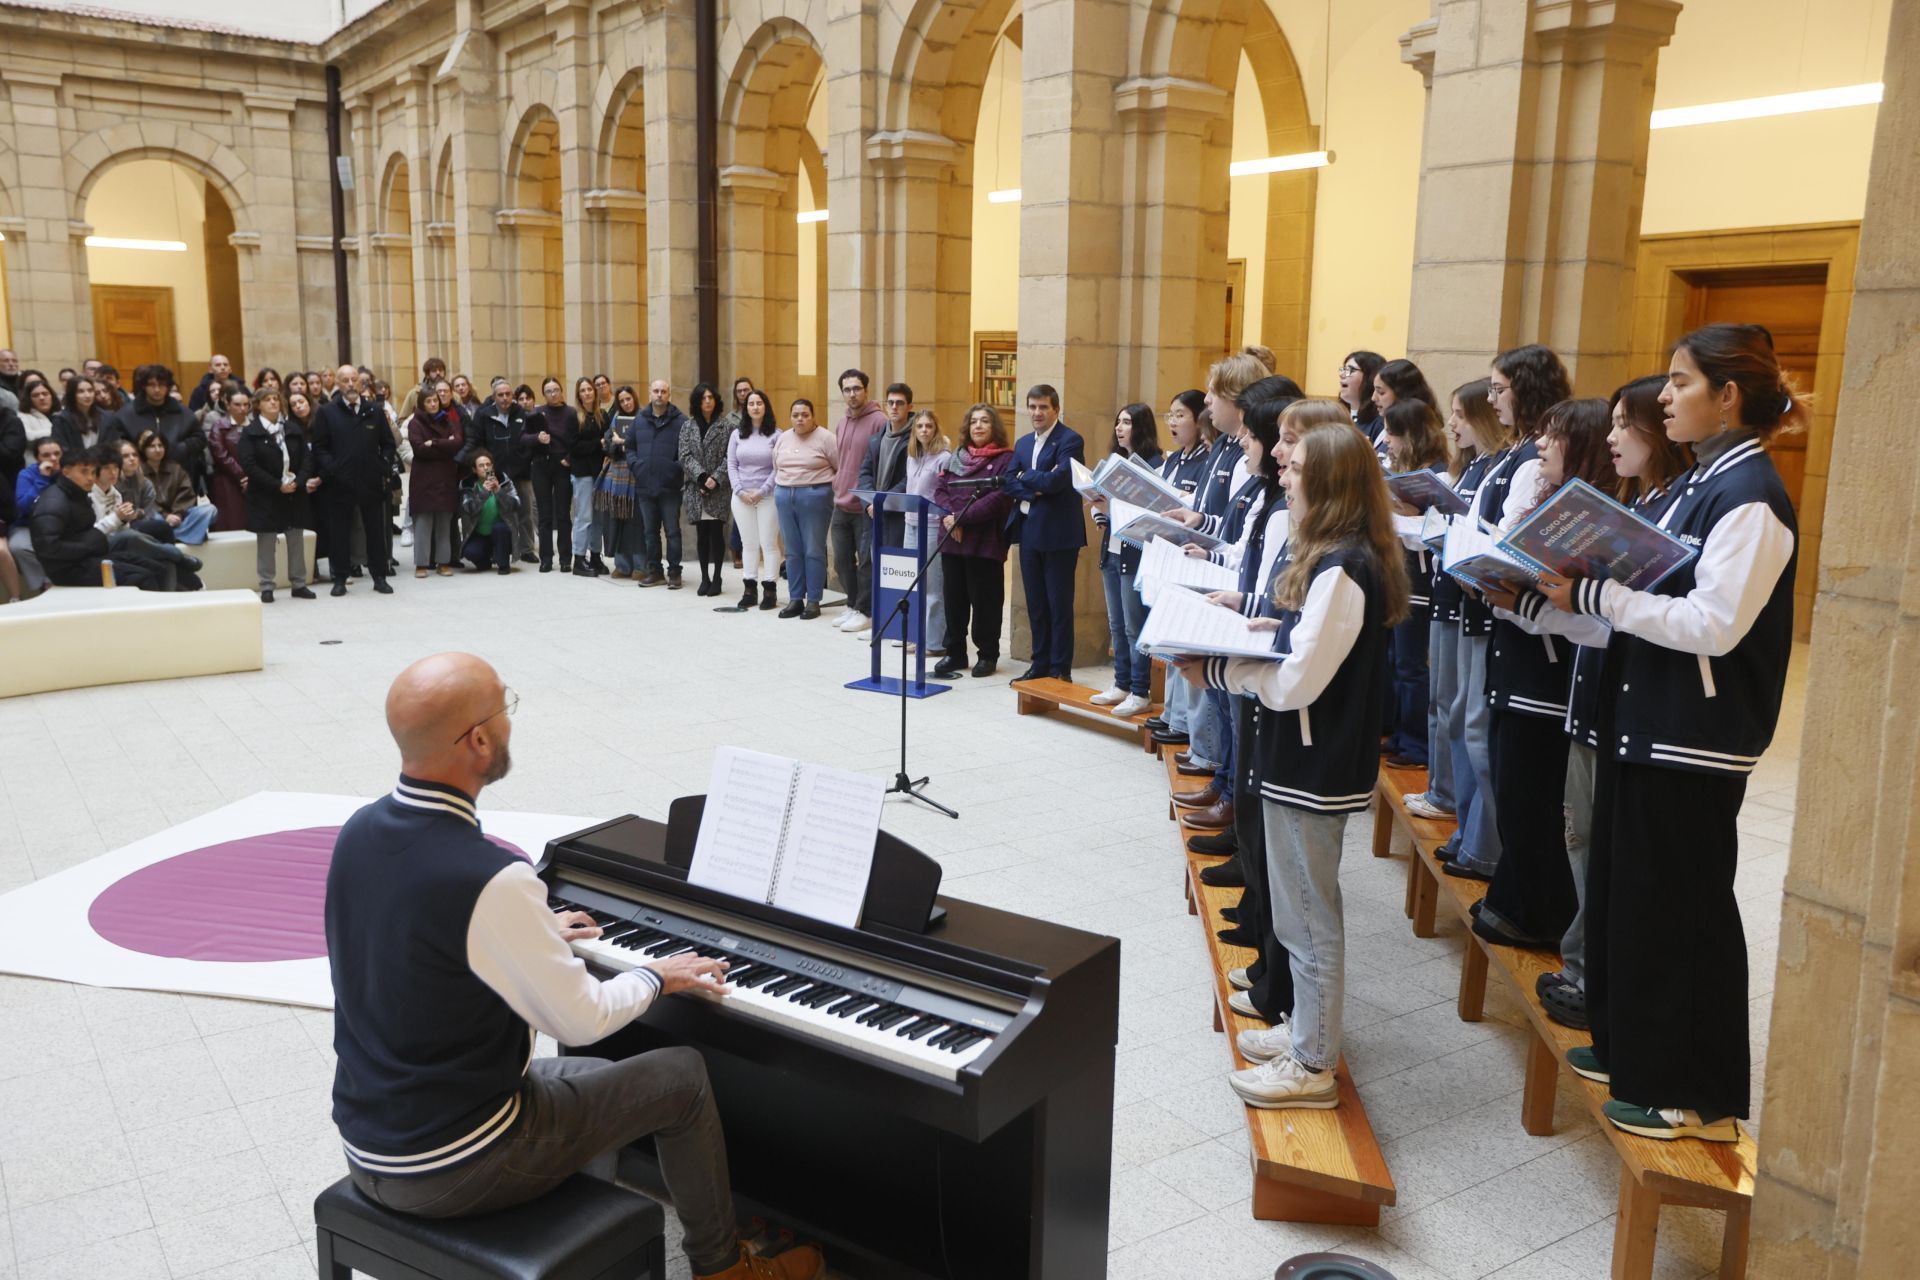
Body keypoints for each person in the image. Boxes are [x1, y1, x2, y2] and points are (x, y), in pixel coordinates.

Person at [325, 652, 823, 1280]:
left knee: (588, 1077)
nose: (510, 721)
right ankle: (724, 1269)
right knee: (682, 1075)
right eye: (504, 707)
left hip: (371, 1143)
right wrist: (657, 975)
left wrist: (526, 935)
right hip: (455, 1165)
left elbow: (412, 942)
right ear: (478, 740)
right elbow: (582, 1017)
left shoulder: (358, 830)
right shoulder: (491, 879)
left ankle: (588, 1233)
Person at [1529, 326, 1800, 1143]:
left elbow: (1716, 625)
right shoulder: (1696, 486)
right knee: (1630, 901)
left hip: (1696, 735)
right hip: (1646, 724)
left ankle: (1697, 1096)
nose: (1666, 396)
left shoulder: (1748, 494)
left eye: (1682, 383)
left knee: (1685, 912)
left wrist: (1600, 601)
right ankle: (1632, 1053)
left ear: (1729, 395)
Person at [1173, 419, 1406, 1109]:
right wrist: (1263, 630)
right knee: (1296, 919)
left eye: (1298, 467)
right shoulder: (1339, 557)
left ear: (1331, 484)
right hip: (1301, 757)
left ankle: (1312, 1066)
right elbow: (1306, 644)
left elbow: (1303, 681)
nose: (1283, 472)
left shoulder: (1345, 568)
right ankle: (1304, 1030)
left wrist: (1220, 669)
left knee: (1309, 920)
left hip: (1315, 763)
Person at [1529, 375, 1689, 1031]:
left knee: (1604, 847)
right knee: (1582, 835)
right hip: (1595, 694)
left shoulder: (1676, 505)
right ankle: (1581, 966)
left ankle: (1590, 974)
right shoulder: (1645, 504)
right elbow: (1599, 622)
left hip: (1632, 708)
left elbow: (1656, 617)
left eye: (1627, 423)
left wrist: (1580, 601)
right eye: (1614, 424)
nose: (1616, 435)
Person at [1472, 398, 1618, 952]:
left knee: (1533, 800)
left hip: (1548, 680)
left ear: (1579, 444)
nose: (1539, 444)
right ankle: (1517, 899)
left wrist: (1519, 601)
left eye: (1552, 436)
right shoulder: (1547, 499)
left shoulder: (1591, 519)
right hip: (1516, 660)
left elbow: (1587, 613)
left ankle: (1538, 911)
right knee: (1511, 791)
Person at [1441, 343, 1570, 884]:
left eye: (1498, 388)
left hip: (1528, 619)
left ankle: (1487, 849)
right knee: (1468, 725)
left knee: (1483, 735)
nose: (1491, 399)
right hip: (1489, 604)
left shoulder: (1527, 457)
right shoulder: (1510, 452)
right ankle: (1474, 835)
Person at [1400, 380, 1501, 824]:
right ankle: (1443, 793)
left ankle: (1459, 809)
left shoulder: (1499, 466)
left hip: (1472, 599)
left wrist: (1428, 523)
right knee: (1444, 704)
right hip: (1451, 590)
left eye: (1460, 415)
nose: (1451, 424)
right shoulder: (1474, 467)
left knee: (1464, 713)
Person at [1378, 398, 1450, 768]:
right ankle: (1401, 736)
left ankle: (1417, 746)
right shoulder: (1402, 468)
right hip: (1399, 574)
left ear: (1412, 435)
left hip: (1422, 579)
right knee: (1394, 660)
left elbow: (1435, 535)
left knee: (1410, 664)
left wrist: (1406, 516)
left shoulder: (1438, 475)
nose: (1386, 440)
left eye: (1392, 433)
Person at [1002, 384, 1085, 682]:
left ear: (1056, 410)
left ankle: (1060, 668)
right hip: (1028, 533)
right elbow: (1008, 480)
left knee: (1058, 605)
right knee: (1036, 604)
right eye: (1032, 407)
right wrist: (1034, 485)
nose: (1037, 413)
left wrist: (1031, 480)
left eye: (1043, 408)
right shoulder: (1024, 443)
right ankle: (1039, 664)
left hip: (1059, 535)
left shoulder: (1070, 440)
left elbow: (1058, 481)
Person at [1087, 403, 1163, 716]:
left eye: (1127, 422)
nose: (1119, 428)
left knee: (1134, 626)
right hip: (1113, 549)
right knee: (1116, 625)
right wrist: (1097, 508)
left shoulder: (1156, 464)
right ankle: (1120, 684)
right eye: (1118, 421)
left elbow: (1154, 511)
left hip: (1136, 553)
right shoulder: (1115, 462)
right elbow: (1102, 500)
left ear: (1141, 427)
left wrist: (1115, 507)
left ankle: (1139, 690)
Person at [930, 405, 1015, 677]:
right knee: (953, 601)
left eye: (985, 422)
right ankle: (955, 653)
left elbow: (1000, 499)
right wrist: (950, 517)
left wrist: (960, 519)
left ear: (994, 428)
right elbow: (940, 490)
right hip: (952, 540)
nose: (978, 426)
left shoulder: (1006, 459)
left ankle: (987, 655)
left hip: (984, 542)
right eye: (974, 421)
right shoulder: (955, 457)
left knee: (985, 602)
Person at [313, 362, 398, 597]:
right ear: (336, 384)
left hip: (370, 482)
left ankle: (379, 576)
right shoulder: (327, 412)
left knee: (375, 531)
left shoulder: (373, 410)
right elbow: (320, 448)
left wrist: (382, 465)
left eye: (354, 379)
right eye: (345, 380)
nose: (350, 384)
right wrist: (333, 469)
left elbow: (389, 444)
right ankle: (340, 577)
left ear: (361, 383)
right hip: (339, 484)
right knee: (340, 532)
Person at [239, 386, 318, 602]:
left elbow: (307, 459)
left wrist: (298, 481)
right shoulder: (251, 433)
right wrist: (277, 485)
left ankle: (299, 583)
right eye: (267, 400)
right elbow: (250, 465)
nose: (273, 403)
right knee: (266, 542)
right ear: (258, 405)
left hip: (294, 493)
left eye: (276, 399)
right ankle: (266, 586)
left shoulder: (292, 429)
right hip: (266, 495)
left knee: (296, 540)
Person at [828, 369, 886, 632]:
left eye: (857, 388)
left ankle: (867, 611)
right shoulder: (842, 423)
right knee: (841, 560)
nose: (852, 393)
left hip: (865, 505)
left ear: (866, 390)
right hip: (841, 501)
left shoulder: (879, 421)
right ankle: (852, 605)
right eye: (847, 389)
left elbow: (881, 464)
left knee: (866, 562)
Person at [772, 398, 837, 618]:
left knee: (813, 550)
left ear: (813, 416)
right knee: (792, 551)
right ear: (790, 417)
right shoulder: (783, 438)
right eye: (796, 415)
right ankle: (795, 598)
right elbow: (776, 466)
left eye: (805, 415)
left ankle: (814, 600)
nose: (800, 419)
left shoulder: (826, 438)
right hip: (784, 495)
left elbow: (839, 467)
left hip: (815, 496)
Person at [725, 389, 781, 611]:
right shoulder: (737, 435)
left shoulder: (777, 435)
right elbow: (731, 465)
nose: (755, 407)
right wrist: (739, 490)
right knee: (748, 544)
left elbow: (778, 468)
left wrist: (763, 491)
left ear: (765, 406)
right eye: (751, 403)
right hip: (741, 497)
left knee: (768, 543)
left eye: (759, 403)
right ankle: (749, 589)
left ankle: (770, 589)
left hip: (768, 496)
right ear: (745, 408)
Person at [901, 410, 951, 654]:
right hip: (910, 521)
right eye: (919, 426)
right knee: (913, 582)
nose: (923, 430)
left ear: (935, 428)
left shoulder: (943, 457)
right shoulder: (912, 456)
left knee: (932, 585)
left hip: (931, 525)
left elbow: (945, 493)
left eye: (928, 426)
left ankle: (934, 641)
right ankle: (915, 635)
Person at [471, 378, 537, 564]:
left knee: (525, 511)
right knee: (496, 511)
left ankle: (527, 549)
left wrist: (524, 460)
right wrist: (486, 470)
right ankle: (497, 550)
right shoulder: (484, 415)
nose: (505, 398)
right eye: (500, 395)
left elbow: (529, 440)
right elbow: (479, 443)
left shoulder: (522, 414)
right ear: (494, 397)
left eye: (508, 394)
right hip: (495, 471)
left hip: (521, 469)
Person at [630, 380, 687, 588]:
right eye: (656, 391)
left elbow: (687, 452)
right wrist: (636, 465)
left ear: (669, 394)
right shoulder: (639, 420)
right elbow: (630, 448)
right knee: (650, 532)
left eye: (663, 391)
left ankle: (674, 572)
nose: (660, 395)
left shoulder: (681, 421)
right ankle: (655, 571)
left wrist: (674, 469)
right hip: (645, 485)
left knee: (672, 531)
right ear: (650, 394)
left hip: (670, 486)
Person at [520, 377, 579, 573]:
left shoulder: (570, 413)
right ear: (543, 395)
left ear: (562, 391)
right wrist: (537, 438)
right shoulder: (536, 413)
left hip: (562, 464)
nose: (553, 394)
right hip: (541, 465)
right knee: (545, 515)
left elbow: (576, 439)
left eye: (556, 390)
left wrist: (569, 458)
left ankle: (565, 558)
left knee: (563, 514)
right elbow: (522, 438)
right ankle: (546, 558)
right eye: (548, 391)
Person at [408, 381, 466, 578]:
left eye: (435, 401)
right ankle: (421, 564)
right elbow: (419, 449)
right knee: (423, 522)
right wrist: (444, 446)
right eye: (429, 401)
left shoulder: (447, 420)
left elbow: (457, 443)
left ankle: (444, 562)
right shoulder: (415, 423)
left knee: (444, 522)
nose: (433, 404)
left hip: (445, 477)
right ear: (422, 403)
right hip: (424, 478)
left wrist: (433, 443)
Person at [107, 364, 206, 479]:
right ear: (144, 386)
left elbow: (200, 438)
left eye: (162, 385)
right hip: (139, 474)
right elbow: (116, 443)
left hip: (177, 473)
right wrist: (139, 453)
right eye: (152, 385)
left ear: (168, 387)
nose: (157, 390)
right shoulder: (125, 414)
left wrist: (180, 449)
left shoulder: (183, 412)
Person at [680, 382, 732, 595]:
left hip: (718, 488)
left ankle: (717, 577)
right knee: (702, 533)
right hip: (696, 487)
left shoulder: (726, 426)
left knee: (716, 533)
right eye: (703, 398)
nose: (707, 401)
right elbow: (684, 455)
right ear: (697, 402)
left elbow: (731, 456)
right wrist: (702, 478)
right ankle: (704, 577)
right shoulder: (688, 426)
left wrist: (715, 479)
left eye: (710, 397)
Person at [856, 383, 915, 560]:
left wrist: (884, 501)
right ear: (885, 406)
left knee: (895, 570)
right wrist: (869, 503)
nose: (894, 407)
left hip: (899, 516)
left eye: (900, 403)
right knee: (874, 566)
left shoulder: (915, 440)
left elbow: (909, 478)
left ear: (910, 407)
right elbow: (865, 473)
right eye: (890, 403)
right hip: (874, 513)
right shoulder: (876, 439)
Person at [598, 386, 644, 578]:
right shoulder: (615, 419)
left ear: (634, 398)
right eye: (622, 400)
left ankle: (640, 566)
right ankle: (622, 565)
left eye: (629, 399)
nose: (626, 403)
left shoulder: (644, 418)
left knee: (637, 523)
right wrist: (611, 443)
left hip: (637, 477)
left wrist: (623, 443)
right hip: (617, 480)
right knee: (617, 522)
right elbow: (608, 445)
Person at [570, 379, 610, 577]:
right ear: (579, 395)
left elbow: (609, 439)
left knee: (598, 518)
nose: (586, 393)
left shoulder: (602, 415)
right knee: (584, 517)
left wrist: (605, 445)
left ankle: (595, 555)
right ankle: (578, 558)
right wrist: (598, 444)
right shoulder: (574, 417)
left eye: (589, 390)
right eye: (582, 390)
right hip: (583, 473)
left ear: (594, 392)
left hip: (601, 473)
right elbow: (574, 447)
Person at [460, 450, 521, 575]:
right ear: (474, 470)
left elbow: (516, 505)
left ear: (492, 466)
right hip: (480, 534)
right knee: (470, 551)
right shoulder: (468, 485)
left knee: (500, 529)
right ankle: (485, 562)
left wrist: (499, 491)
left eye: (488, 464)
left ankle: (503, 565)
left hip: (501, 533)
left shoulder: (504, 481)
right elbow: (468, 509)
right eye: (481, 466)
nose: (485, 468)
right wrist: (483, 494)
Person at [207, 383, 252, 532]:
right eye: (237, 404)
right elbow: (221, 455)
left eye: (246, 404)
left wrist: (253, 476)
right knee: (231, 523)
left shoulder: (254, 426)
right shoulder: (219, 426)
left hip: (255, 481)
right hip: (227, 481)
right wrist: (241, 476)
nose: (242, 409)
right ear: (227, 404)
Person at [50, 376, 106, 462]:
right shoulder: (61, 420)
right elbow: (62, 448)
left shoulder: (106, 417)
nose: (87, 395)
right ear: (72, 395)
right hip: (75, 466)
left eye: (90, 391)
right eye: (81, 391)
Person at [1337, 351, 1385, 444]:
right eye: (1344, 369)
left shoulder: (1380, 423)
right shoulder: (1337, 417)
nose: (1342, 375)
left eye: (1350, 370)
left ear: (1370, 377)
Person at [15, 437, 61, 523]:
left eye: (57, 453)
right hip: (29, 523)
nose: (54, 458)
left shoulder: (69, 472)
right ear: (37, 458)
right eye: (46, 455)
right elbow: (24, 508)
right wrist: (42, 479)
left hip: (61, 522)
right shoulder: (26, 474)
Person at [18, 378, 54, 448]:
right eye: (35, 395)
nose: (41, 398)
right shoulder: (23, 416)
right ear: (29, 399)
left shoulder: (61, 413)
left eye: (45, 394)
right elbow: (28, 436)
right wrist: (57, 430)